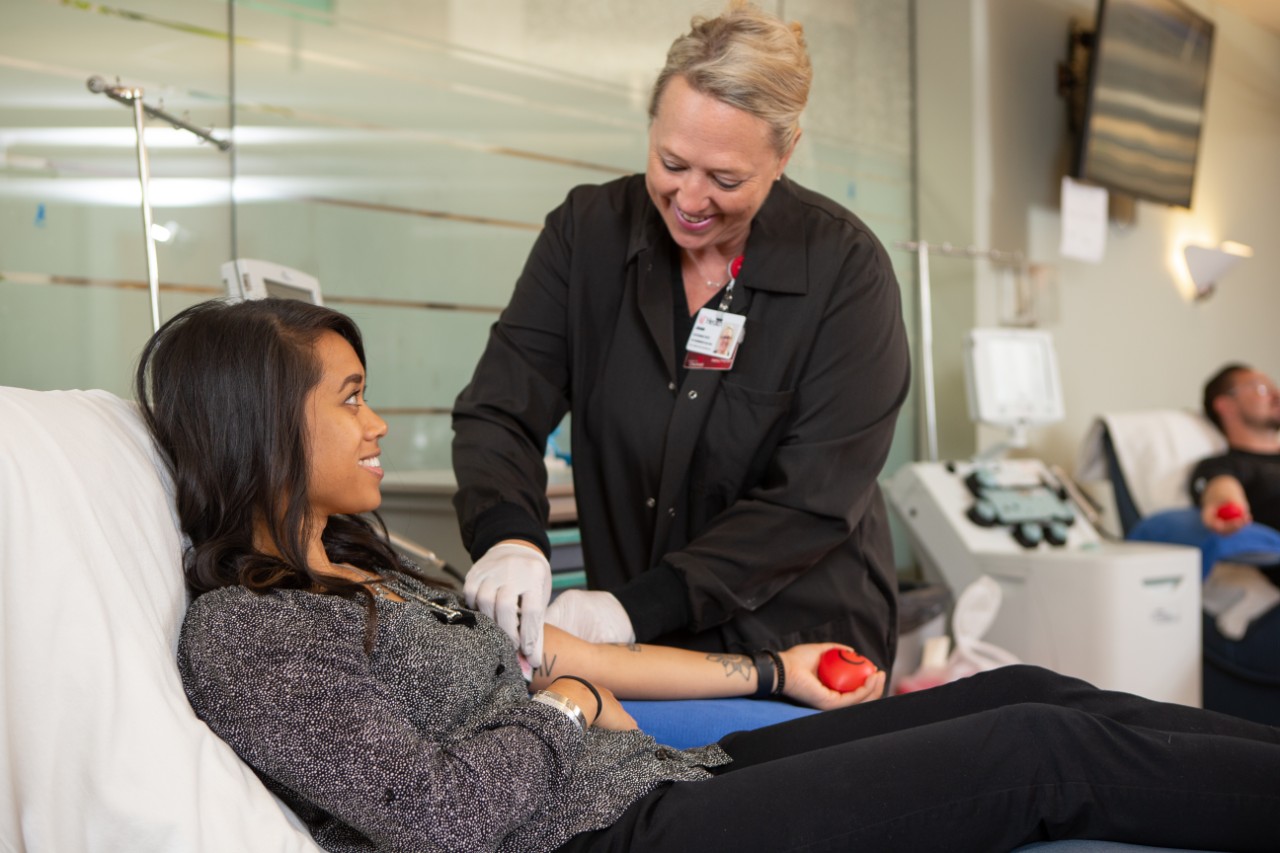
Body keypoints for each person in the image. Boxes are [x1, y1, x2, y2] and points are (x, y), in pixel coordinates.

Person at [142, 298, 1280, 853]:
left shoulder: (365, 566)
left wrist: (768, 669)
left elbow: (569, 661)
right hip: (606, 837)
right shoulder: (252, 636)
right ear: (260, 426)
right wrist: (555, 714)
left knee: (1025, 692)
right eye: (348, 398)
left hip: (652, 775)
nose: (379, 421)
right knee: (1041, 754)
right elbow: (429, 816)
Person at [451, 1, 911, 672]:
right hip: (641, 654)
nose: (691, 200)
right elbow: (501, 408)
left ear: (784, 153)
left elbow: (810, 501)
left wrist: (635, 607)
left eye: (726, 179)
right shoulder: (589, 236)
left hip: (799, 649)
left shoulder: (844, 273)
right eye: (671, 163)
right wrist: (510, 537)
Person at [1191, 363, 1280, 534]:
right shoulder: (1224, 465)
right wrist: (1226, 506)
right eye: (1261, 389)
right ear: (1226, 405)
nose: (1277, 394)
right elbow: (1222, 487)